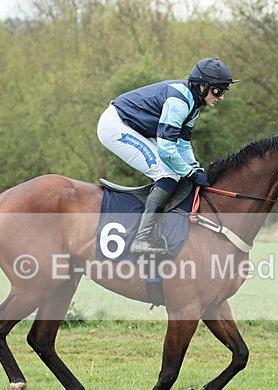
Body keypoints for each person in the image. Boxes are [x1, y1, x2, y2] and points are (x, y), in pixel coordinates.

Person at [97, 57, 238, 254]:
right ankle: (142, 238)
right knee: (167, 174)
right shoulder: (179, 102)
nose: (221, 97)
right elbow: (166, 149)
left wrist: (195, 167)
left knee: (175, 170)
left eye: (223, 91)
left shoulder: (193, 104)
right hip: (116, 126)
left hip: (132, 127)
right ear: (203, 86)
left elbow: (182, 143)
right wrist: (189, 173)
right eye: (218, 90)